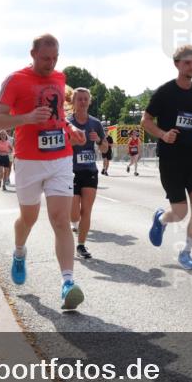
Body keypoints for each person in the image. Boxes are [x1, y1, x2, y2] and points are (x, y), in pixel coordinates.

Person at [0, 33, 88, 310]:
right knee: (29, 218)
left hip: (60, 157)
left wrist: (72, 130)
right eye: (46, 58)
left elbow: (59, 117)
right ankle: (19, 252)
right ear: (32, 54)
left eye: (55, 58)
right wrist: (26, 118)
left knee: (60, 220)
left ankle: (68, 282)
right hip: (29, 160)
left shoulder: (59, 78)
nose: (50, 63)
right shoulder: (15, 80)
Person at [142, 45, 192, 270]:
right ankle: (160, 219)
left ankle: (186, 252)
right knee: (180, 212)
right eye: (187, 62)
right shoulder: (165, 92)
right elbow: (146, 121)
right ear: (177, 64)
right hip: (171, 159)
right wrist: (163, 134)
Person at [68, 88, 109, 259]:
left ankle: (81, 245)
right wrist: (71, 140)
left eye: (86, 99)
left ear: (89, 101)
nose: (83, 102)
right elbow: (59, 146)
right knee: (74, 213)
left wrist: (98, 140)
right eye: (80, 99)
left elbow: (105, 148)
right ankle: (73, 223)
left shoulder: (96, 123)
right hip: (70, 172)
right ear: (74, 102)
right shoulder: (67, 122)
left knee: (86, 210)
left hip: (90, 171)